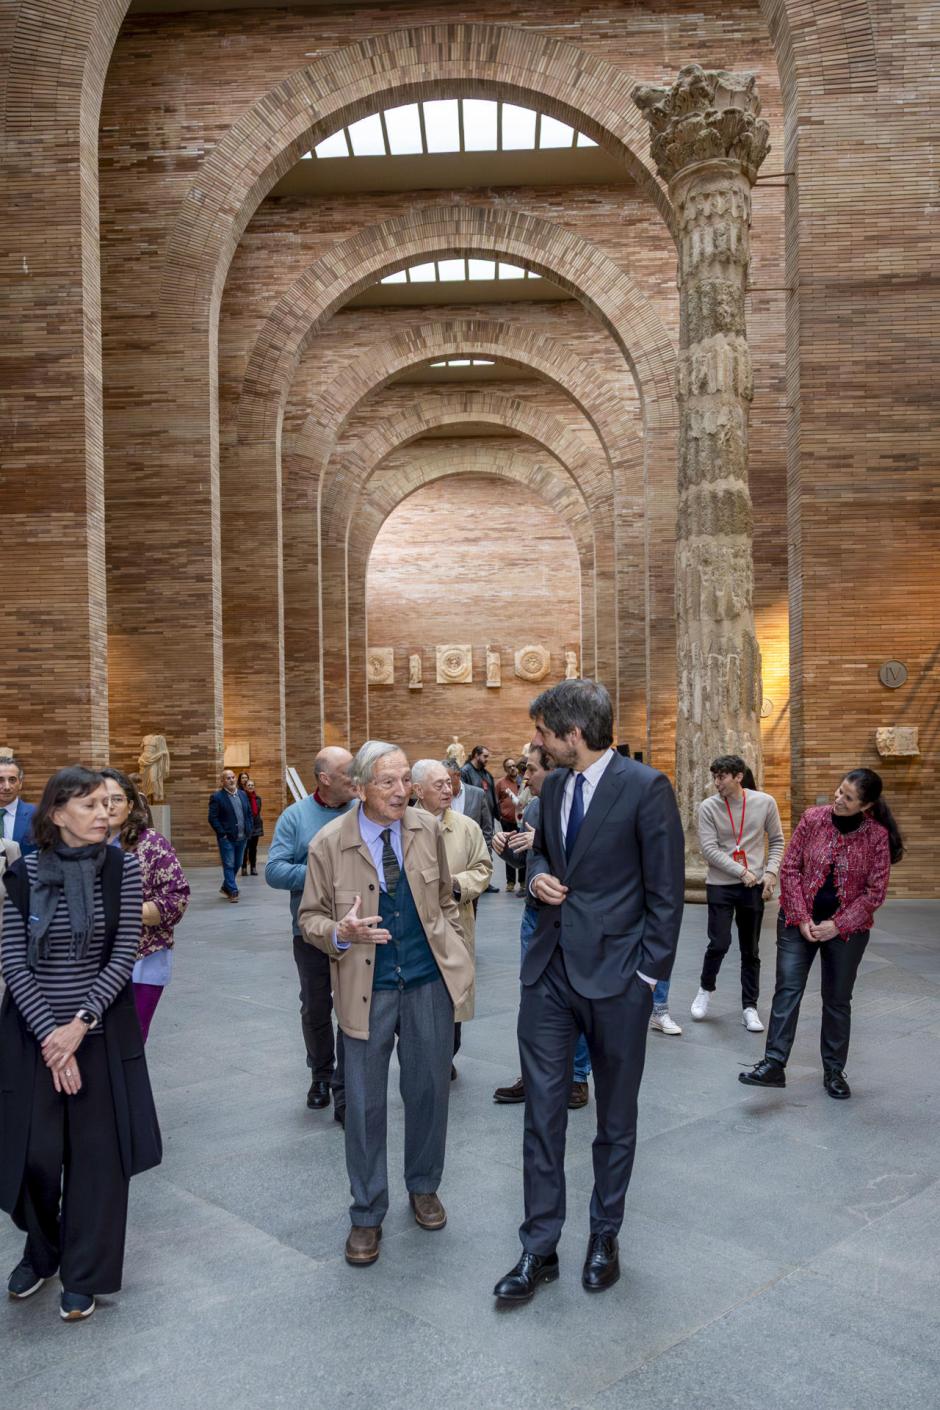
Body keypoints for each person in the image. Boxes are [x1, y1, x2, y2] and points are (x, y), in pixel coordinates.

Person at [493, 680, 684, 1304]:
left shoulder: (646, 788)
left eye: (543, 733)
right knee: (541, 1115)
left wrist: (648, 978)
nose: (536, 743)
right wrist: (542, 875)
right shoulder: (551, 788)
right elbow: (544, 853)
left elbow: (666, 892)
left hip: (618, 978)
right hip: (548, 973)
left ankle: (606, 1234)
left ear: (573, 735)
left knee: (615, 1118)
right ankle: (539, 1247)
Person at [298, 741, 471, 1267]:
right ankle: (367, 1214)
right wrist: (342, 932)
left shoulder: (426, 829)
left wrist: (454, 943)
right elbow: (309, 920)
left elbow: (442, 896)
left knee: (428, 1092)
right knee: (366, 1106)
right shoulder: (329, 843)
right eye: (389, 782)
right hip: (366, 990)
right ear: (359, 788)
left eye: (405, 781)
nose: (403, 791)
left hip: (425, 983)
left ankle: (423, 1186)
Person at [0, 766, 161, 1321]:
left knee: (97, 1160)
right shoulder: (22, 872)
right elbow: (13, 960)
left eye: (107, 805)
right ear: (56, 814)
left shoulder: (124, 868)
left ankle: (83, 1272)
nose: (103, 814)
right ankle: (42, 1250)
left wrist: (78, 1027)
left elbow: (121, 955)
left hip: (98, 1035)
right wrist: (50, 1035)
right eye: (90, 806)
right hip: (31, 1036)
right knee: (33, 1156)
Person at [740, 768, 903, 1100]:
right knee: (787, 990)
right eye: (839, 791)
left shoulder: (876, 837)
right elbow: (790, 868)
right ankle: (773, 1065)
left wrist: (837, 924)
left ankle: (833, 1071)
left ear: (866, 806)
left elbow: (875, 893)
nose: (838, 799)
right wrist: (801, 918)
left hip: (847, 932)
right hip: (798, 923)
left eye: (848, 797)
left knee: (837, 1000)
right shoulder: (813, 818)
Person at [492, 745, 594, 1107]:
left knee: (578, 998)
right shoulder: (534, 806)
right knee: (533, 999)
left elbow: (595, 861)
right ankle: (533, 1073)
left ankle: (576, 1077)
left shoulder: (588, 804)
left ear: (554, 770)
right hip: (536, 917)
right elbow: (526, 859)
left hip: (575, 917)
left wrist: (546, 841)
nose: (525, 777)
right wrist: (504, 846)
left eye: (531, 770)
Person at [265, 746, 356, 1119]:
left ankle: (347, 1083)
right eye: (348, 772)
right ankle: (320, 1074)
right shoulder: (295, 817)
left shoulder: (362, 811)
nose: (356, 778)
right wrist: (322, 875)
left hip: (358, 929)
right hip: (310, 932)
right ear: (325, 779)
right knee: (316, 1006)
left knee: (355, 1007)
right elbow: (274, 870)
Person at [690, 756, 785, 1032]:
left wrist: (770, 872)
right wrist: (741, 872)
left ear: (738, 776)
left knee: (750, 950)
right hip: (721, 884)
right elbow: (709, 849)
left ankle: (749, 1007)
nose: (716, 783)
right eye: (715, 777)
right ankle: (705, 990)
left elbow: (777, 841)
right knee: (718, 943)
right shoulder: (708, 807)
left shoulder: (764, 803)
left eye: (722, 777)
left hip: (752, 886)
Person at [411, 759, 491, 1076]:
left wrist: (458, 885)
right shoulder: (400, 826)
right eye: (440, 784)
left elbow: (483, 869)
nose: (449, 789)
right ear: (417, 790)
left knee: (452, 992)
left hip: (454, 924)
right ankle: (418, 1053)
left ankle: (447, 1053)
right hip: (414, 928)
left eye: (449, 782)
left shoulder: (466, 827)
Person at [101, 767, 190, 1042]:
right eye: (101, 798)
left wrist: (125, 911)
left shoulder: (151, 844)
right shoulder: (81, 843)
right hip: (92, 960)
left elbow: (177, 899)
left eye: (117, 799)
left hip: (143, 956)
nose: (108, 805)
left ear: (130, 804)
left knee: (129, 1039)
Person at [208, 768, 253, 902]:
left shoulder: (243, 794)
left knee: (238, 863)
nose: (232, 780)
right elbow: (212, 818)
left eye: (233, 777)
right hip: (227, 838)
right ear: (222, 782)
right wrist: (222, 833)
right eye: (228, 778)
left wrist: (249, 829)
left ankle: (225, 886)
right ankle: (233, 891)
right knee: (228, 864)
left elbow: (249, 813)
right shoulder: (217, 797)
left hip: (242, 837)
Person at [460, 746, 499, 891]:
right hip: (473, 816)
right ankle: (473, 881)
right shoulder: (465, 772)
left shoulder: (486, 774)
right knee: (472, 849)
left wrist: (497, 813)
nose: (487, 760)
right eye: (485, 756)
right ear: (476, 755)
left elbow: (491, 795)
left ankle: (485, 880)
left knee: (486, 847)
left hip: (487, 816)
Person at [442, 758, 492, 849]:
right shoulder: (440, 797)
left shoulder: (478, 794)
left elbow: (487, 829)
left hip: (474, 855)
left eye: (447, 779)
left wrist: (487, 855)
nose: (443, 783)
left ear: (458, 775)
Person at [495, 758, 524, 894]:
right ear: (505, 769)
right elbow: (495, 801)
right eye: (509, 767)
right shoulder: (500, 783)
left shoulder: (523, 781)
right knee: (509, 850)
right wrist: (500, 816)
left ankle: (523, 881)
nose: (512, 768)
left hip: (522, 821)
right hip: (507, 822)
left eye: (514, 766)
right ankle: (511, 882)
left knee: (523, 849)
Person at [0, 756, 37, 856]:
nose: (7, 787)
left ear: (20, 783)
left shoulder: (37, 815)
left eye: (12, 780)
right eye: (0, 780)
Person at [241, 778, 263, 877]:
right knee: (245, 848)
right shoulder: (242, 798)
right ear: (245, 787)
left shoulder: (258, 799)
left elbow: (257, 812)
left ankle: (253, 867)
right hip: (246, 827)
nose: (250, 786)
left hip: (256, 826)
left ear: (254, 787)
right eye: (248, 785)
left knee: (253, 848)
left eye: (252, 785)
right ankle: (244, 868)